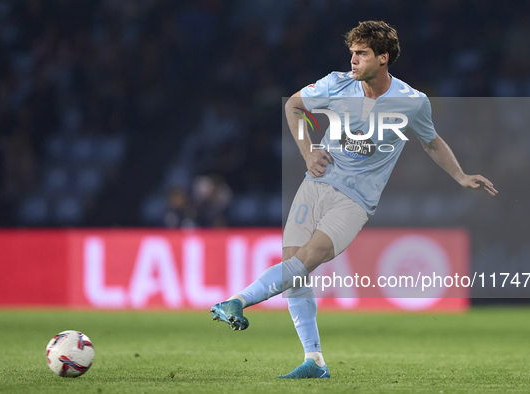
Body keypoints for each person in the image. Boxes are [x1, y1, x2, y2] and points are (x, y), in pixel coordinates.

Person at [210, 20, 498, 379]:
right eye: (352, 53)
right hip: (315, 183)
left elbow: (431, 141)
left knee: (308, 259)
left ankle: (237, 301)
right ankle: (314, 361)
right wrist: (307, 151)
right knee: (294, 271)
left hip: (356, 200)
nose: (353, 60)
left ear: (383, 58)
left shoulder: (412, 102)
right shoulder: (336, 84)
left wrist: (461, 176)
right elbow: (294, 108)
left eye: (361, 54)